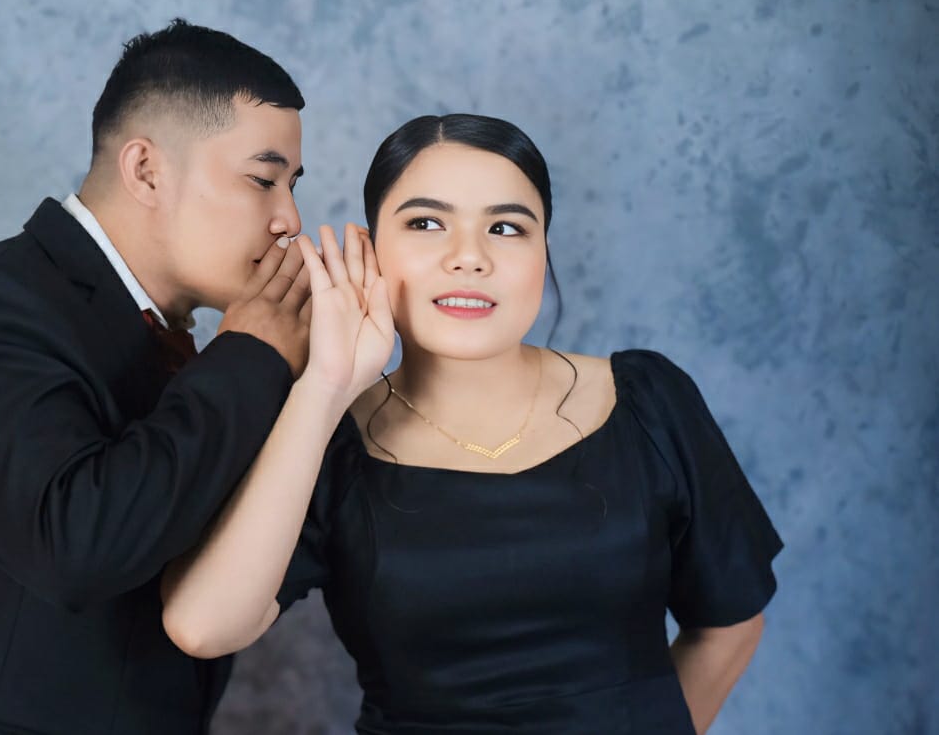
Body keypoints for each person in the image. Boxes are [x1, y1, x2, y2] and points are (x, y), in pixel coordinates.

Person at [161, 113, 784, 734]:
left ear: (543, 252)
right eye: (426, 223)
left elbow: (729, 624)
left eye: (507, 228)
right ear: (370, 252)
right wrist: (325, 387)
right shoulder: (326, 443)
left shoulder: (647, 402)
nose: (469, 258)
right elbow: (202, 627)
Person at [0, 20, 312, 734]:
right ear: (146, 169)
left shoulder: (199, 352)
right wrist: (251, 355)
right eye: (263, 180)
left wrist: (325, 384)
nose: (289, 219)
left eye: (293, 186)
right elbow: (77, 548)